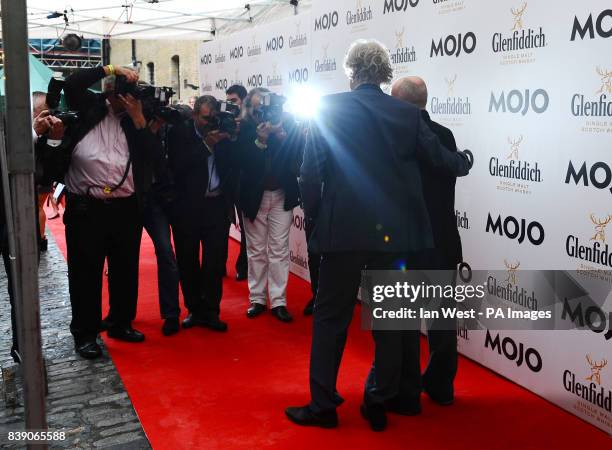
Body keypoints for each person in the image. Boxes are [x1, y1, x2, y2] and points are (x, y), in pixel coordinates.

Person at [285, 39, 472, 431]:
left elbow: (309, 174)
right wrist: (465, 160)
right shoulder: (405, 114)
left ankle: (323, 405)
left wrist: (318, 220)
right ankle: (378, 398)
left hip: (342, 232)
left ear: (350, 71)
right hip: (394, 236)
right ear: (385, 73)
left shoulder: (328, 108)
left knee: (330, 318)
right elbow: (443, 161)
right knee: (389, 320)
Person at [61, 65, 163, 359]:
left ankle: (120, 323)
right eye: (126, 95)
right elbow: (72, 83)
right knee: (85, 273)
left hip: (125, 207)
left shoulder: (136, 120)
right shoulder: (90, 106)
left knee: (125, 270)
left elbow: (153, 158)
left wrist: (139, 119)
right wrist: (108, 68)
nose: (132, 100)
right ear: (112, 93)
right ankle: (86, 333)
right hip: (86, 207)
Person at [391, 76, 462, 406]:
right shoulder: (445, 135)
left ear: (400, 102)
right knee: (443, 320)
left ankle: (406, 391)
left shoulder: (393, 136)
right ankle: (441, 387)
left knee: (401, 320)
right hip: (443, 239)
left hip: (406, 242)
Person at [168, 95, 237, 333]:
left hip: (216, 205)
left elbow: (233, 166)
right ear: (195, 114)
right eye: (205, 118)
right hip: (186, 206)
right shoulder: (179, 131)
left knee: (214, 262)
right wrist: (207, 145)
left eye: (213, 118)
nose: (209, 123)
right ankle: (194, 309)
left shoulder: (223, 131)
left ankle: (211, 311)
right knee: (188, 260)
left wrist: (230, 137)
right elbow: (178, 166)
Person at [236, 87, 304, 323]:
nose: (263, 112)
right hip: (254, 196)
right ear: (250, 108)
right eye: (258, 107)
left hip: (281, 195)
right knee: (255, 250)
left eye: (266, 106)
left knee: (279, 249)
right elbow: (244, 162)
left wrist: (282, 135)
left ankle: (278, 301)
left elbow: (298, 155)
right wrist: (261, 139)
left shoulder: (287, 124)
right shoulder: (242, 127)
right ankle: (257, 299)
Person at [225, 84, 249, 281]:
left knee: (246, 226)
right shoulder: (224, 121)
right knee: (222, 222)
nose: (231, 105)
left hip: (244, 180)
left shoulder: (250, 121)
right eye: (229, 101)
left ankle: (244, 266)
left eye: (234, 101)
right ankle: (218, 265)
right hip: (226, 179)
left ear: (243, 100)